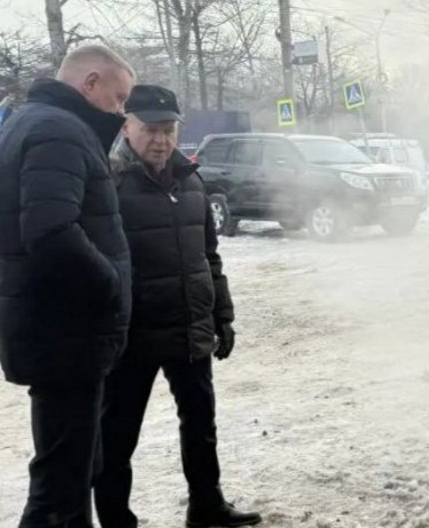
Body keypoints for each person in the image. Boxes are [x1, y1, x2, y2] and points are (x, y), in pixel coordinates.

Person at [95, 85, 259, 528]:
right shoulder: (109, 184)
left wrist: (222, 316)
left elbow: (210, 256)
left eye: (168, 130)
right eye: (150, 129)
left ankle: (206, 507)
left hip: (190, 328)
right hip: (134, 337)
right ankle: (114, 519)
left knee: (201, 425)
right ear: (128, 127)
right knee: (116, 435)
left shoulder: (192, 181)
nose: (160, 140)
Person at [0, 44, 136, 528]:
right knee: (60, 487)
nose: (119, 112)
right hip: (66, 329)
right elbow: (51, 231)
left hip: (53, 326)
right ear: (90, 83)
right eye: (117, 99)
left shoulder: (30, 122)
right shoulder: (59, 129)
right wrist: (110, 283)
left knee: (71, 470)